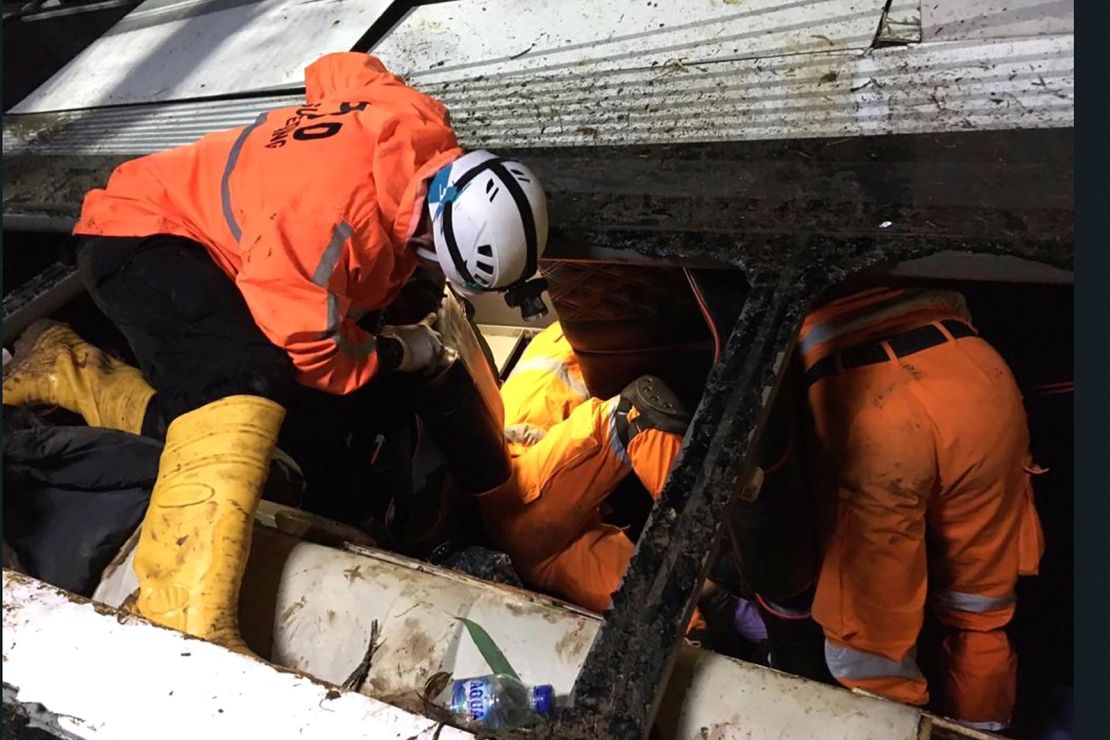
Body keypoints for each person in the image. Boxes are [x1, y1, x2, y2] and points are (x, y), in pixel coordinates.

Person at [2, 52, 548, 651]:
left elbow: (338, 67)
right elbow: (315, 353)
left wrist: (310, 141)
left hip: (213, 222)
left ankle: (66, 369)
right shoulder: (326, 234)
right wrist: (398, 353)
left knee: (396, 297)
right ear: (433, 237)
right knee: (241, 380)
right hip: (141, 236)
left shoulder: (415, 121)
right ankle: (178, 601)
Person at [800, 285, 1044, 731]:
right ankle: (986, 729)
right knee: (981, 615)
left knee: (873, 652)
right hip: (973, 375)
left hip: (864, 400)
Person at [477, 323, 688, 613]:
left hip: (541, 545)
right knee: (638, 414)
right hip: (524, 497)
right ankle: (707, 540)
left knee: (670, 622)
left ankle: (727, 599)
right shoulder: (581, 329)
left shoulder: (580, 328)